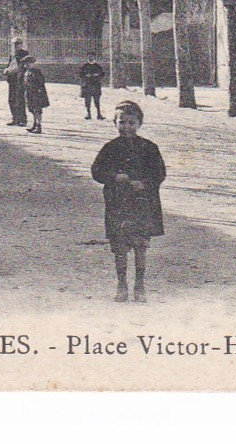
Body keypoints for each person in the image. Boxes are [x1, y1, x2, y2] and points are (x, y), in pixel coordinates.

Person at [91, 101, 166, 303]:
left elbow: (159, 173)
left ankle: (140, 286)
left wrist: (145, 183)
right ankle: (121, 284)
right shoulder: (109, 148)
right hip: (118, 203)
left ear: (139, 123)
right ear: (115, 123)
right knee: (120, 246)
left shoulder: (149, 148)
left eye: (131, 122)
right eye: (122, 122)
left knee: (140, 245)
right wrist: (114, 177)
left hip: (142, 203)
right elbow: (96, 171)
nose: (126, 127)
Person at [4, 43, 30, 127]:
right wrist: (7, 70)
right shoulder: (12, 54)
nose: (16, 46)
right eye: (15, 45)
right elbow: (9, 65)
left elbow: (25, 66)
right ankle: (14, 118)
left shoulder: (24, 54)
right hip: (12, 79)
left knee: (20, 99)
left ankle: (22, 120)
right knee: (11, 99)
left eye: (18, 44)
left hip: (20, 79)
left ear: (21, 45)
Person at [23, 56, 50, 133]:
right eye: (26, 63)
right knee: (32, 110)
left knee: (37, 110)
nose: (27, 65)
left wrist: (37, 91)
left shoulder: (36, 72)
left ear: (33, 63)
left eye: (29, 63)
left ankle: (38, 126)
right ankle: (34, 124)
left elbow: (41, 82)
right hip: (30, 93)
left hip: (37, 94)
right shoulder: (26, 72)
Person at [79, 54, 107, 120]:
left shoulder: (97, 66)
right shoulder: (84, 66)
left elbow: (102, 74)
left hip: (96, 85)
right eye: (89, 57)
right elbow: (80, 75)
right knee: (87, 101)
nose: (91, 58)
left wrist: (98, 75)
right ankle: (88, 114)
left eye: (92, 57)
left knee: (97, 101)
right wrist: (86, 75)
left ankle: (99, 114)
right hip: (87, 85)